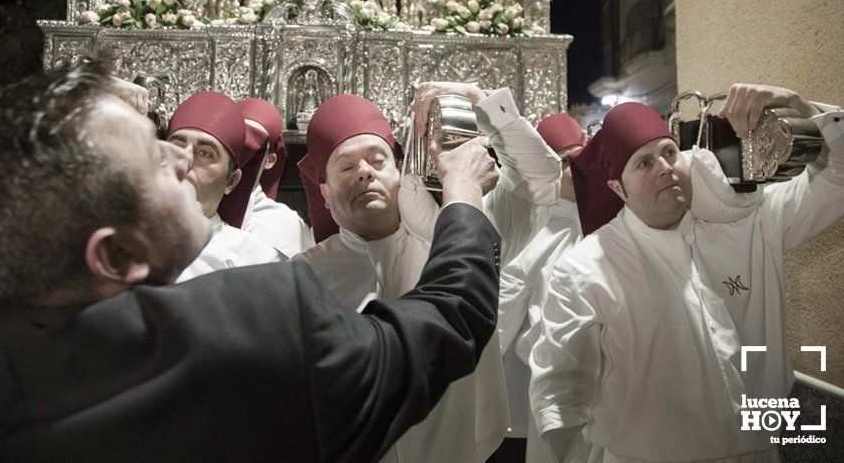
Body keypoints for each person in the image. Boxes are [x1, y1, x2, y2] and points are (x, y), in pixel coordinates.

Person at [0, 60, 505, 462]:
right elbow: (448, 319)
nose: (180, 158)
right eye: (152, 156)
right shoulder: (254, 327)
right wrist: (462, 196)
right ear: (116, 256)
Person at [528, 86, 844, 462]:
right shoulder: (586, 268)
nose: (664, 167)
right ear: (618, 188)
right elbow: (560, 393)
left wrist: (799, 106)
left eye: (669, 153)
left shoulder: (752, 224)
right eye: (643, 163)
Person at [293, 83, 563, 463]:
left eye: (377, 160)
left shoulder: (458, 236)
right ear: (323, 192)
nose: (365, 173)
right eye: (347, 166)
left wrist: (480, 100)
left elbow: (541, 179)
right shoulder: (304, 277)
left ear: (401, 171)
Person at [495, 112, 588, 462]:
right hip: (534, 392)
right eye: (565, 161)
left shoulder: (608, 213)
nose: (575, 168)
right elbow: (500, 318)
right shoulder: (532, 228)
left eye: (582, 156)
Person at [165, 91, 281, 281]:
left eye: (205, 153)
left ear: (231, 181)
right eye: (176, 146)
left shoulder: (254, 260)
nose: (185, 159)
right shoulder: (121, 236)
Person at [231, 97, 313, 258]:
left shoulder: (288, 224)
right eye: (239, 143)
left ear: (270, 160)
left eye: (255, 148)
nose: (244, 156)